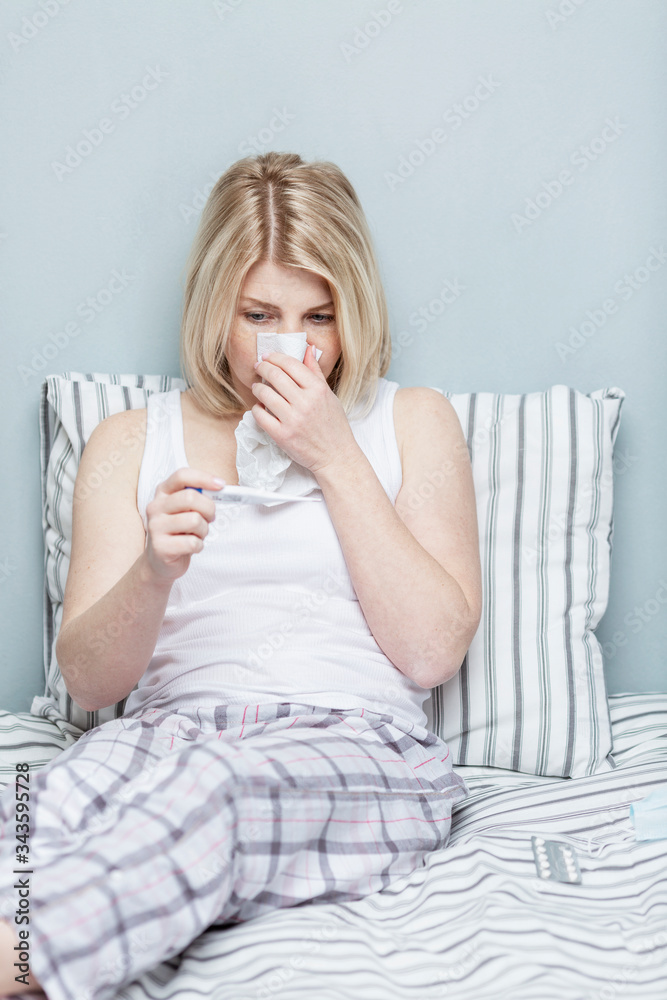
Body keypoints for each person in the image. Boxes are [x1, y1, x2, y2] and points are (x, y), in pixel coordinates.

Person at [0, 151, 482, 999]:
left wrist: (334, 456)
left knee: (217, 789)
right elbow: (89, 681)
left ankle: (23, 966)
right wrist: (152, 572)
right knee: (34, 807)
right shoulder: (128, 441)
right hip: (163, 734)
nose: (291, 346)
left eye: (319, 317)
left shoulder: (411, 420)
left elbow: (432, 650)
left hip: (356, 744)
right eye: (258, 315)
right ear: (213, 309)